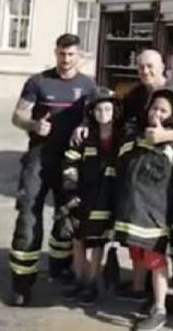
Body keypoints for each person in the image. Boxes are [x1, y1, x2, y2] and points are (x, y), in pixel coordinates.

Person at [7, 33, 97, 307]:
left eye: (71, 55)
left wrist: (87, 127)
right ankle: (22, 282)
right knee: (28, 215)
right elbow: (17, 115)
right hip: (40, 157)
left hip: (70, 161)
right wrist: (34, 126)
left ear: (79, 56)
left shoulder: (88, 86)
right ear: (55, 53)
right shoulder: (38, 82)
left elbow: (99, 115)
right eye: (61, 54)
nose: (66, 60)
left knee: (67, 215)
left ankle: (60, 266)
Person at [113, 87, 173, 331]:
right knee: (136, 253)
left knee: (156, 260)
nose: (157, 114)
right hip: (133, 212)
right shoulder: (134, 136)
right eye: (154, 108)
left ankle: (160, 309)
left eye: (163, 110)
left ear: (171, 117)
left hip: (155, 216)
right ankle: (139, 291)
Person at [58, 88, 122, 304]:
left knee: (97, 243)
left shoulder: (123, 137)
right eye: (98, 109)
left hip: (109, 199)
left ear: (115, 111)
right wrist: (70, 192)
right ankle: (79, 281)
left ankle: (92, 284)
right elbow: (70, 163)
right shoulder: (84, 137)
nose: (103, 113)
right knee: (78, 240)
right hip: (83, 197)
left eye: (108, 108)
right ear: (91, 112)